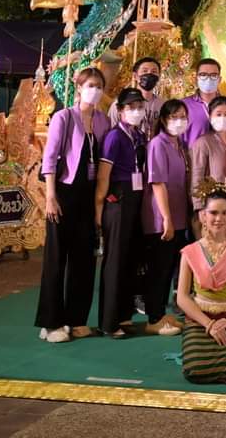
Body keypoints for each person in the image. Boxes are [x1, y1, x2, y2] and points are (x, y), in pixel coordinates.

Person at [36, 66, 110, 343]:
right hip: (64, 193)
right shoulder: (63, 117)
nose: (95, 90)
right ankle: (51, 322)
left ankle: (77, 319)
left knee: (84, 259)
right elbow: (51, 158)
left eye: (99, 85)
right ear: (79, 87)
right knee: (56, 259)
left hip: (89, 196)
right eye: (90, 84)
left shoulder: (103, 121)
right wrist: (51, 196)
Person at [176, 188, 226, 382]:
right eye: (213, 213)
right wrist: (209, 325)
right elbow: (182, 298)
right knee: (195, 370)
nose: (219, 218)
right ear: (203, 216)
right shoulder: (190, 252)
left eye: (225, 213)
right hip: (199, 319)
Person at [95, 87, 149, 337]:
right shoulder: (114, 137)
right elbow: (104, 175)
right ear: (120, 110)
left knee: (130, 258)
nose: (136, 111)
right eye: (131, 107)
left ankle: (125, 314)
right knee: (115, 260)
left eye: (139, 107)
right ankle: (109, 322)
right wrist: (100, 206)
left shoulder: (138, 135)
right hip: (118, 197)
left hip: (136, 197)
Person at [141, 98, 191, 336]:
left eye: (183, 116)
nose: (179, 121)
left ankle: (161, 313)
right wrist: (167, 219)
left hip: (179, 216)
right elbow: (158, 183)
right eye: (174, 117)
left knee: (169, 267)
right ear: (163, 120)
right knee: (158, 269)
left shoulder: (178, 144)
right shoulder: (157, 144)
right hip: (162, 219)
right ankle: (153, 317)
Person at [190, 95, 226, 215]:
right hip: (212, 206)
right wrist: (199, 207)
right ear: (210, 116)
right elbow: (197, 177)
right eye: (218, 114)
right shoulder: (203, 142)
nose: (223, 118)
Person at [108, 57, 164, 126]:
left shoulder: (163, 105)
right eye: (145, 71)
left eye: (154, 71)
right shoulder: (121, 103)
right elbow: (111, 129)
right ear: (135, 76)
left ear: (159, 76)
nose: (149, 74)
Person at [184, 58, 223, 145]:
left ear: (219, 80)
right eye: (203, 75)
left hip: (223, 157)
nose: (208, 79)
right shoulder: (184, 105)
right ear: (196, 79)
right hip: (192, 157)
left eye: (213, 75)